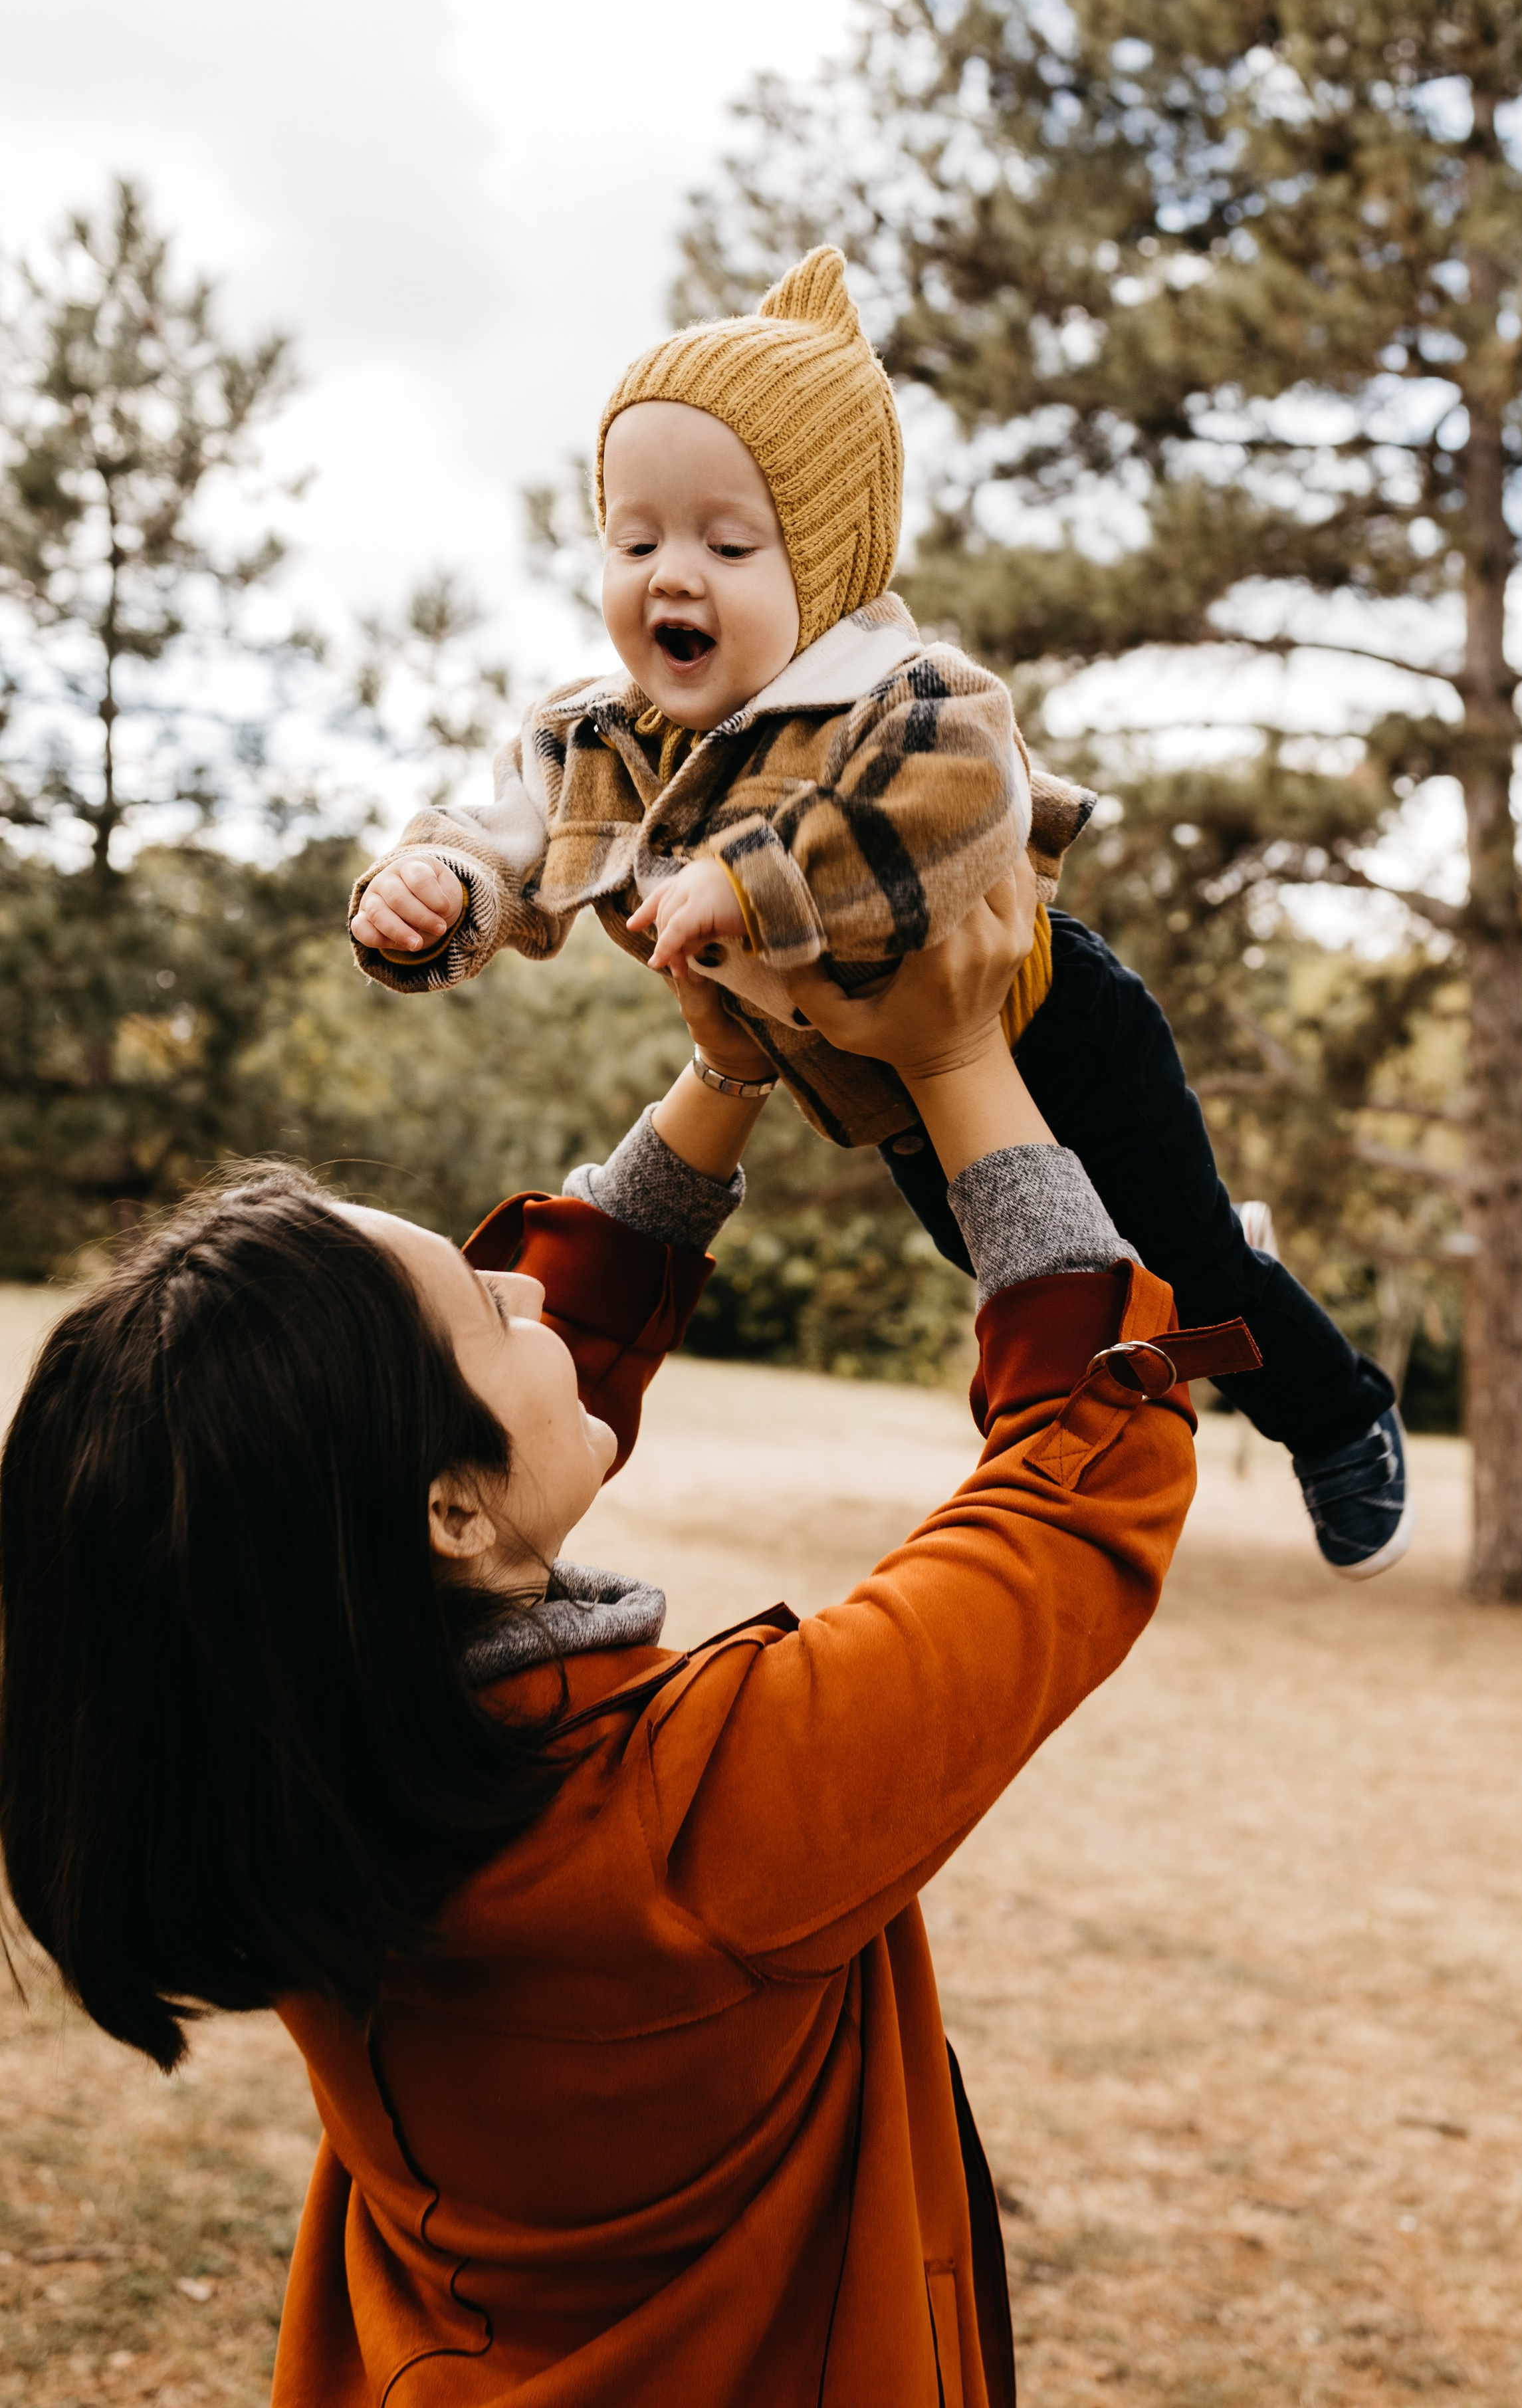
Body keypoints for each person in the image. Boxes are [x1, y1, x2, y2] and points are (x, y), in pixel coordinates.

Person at [0, 882, 1257, 2407]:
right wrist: (953, 1053)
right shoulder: (709, 1821)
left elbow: (487, 1447)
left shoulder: (289, 1782)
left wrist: (729, 1071)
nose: (528, 1278)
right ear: (444, 1509)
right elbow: (1082, 1474)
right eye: (482, 1299)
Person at [348, 246, 1409, 1578]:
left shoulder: (907, 695)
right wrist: (440, 892)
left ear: (829, 561)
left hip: (1052, 1022)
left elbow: (948, 814)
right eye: (635, 538)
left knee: (1191, 1273)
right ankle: (1174, 1253)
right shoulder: (602, 737)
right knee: (1032, 1292)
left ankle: (1343, 1413)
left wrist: (748, 881)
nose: (672, 574)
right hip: (891, 1097)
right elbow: (509, 831)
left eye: (728, 543)